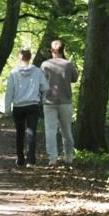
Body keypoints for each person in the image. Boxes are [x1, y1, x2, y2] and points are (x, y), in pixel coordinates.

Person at [4, 48, 49, 168]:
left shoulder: (14, 72)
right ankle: (31, 161)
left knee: (20, 132)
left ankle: (20, 159)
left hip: (18, 106)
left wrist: (7, 109)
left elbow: (9, 92)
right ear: (30, 57)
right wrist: (42, 100)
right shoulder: (37, 71)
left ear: (19, 57)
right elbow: (45, 87)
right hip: (33, 105)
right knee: (31, 132)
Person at [40, 39, 80, 168]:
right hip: (65, 101)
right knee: (66, 131)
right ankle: (69, 158)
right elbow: (75, 78)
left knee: (50, 131)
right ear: (63, 50)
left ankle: (53, 159)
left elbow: (41, 82)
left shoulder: (45, 65)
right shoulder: (68, 64)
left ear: (52, 51)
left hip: (49, 101)